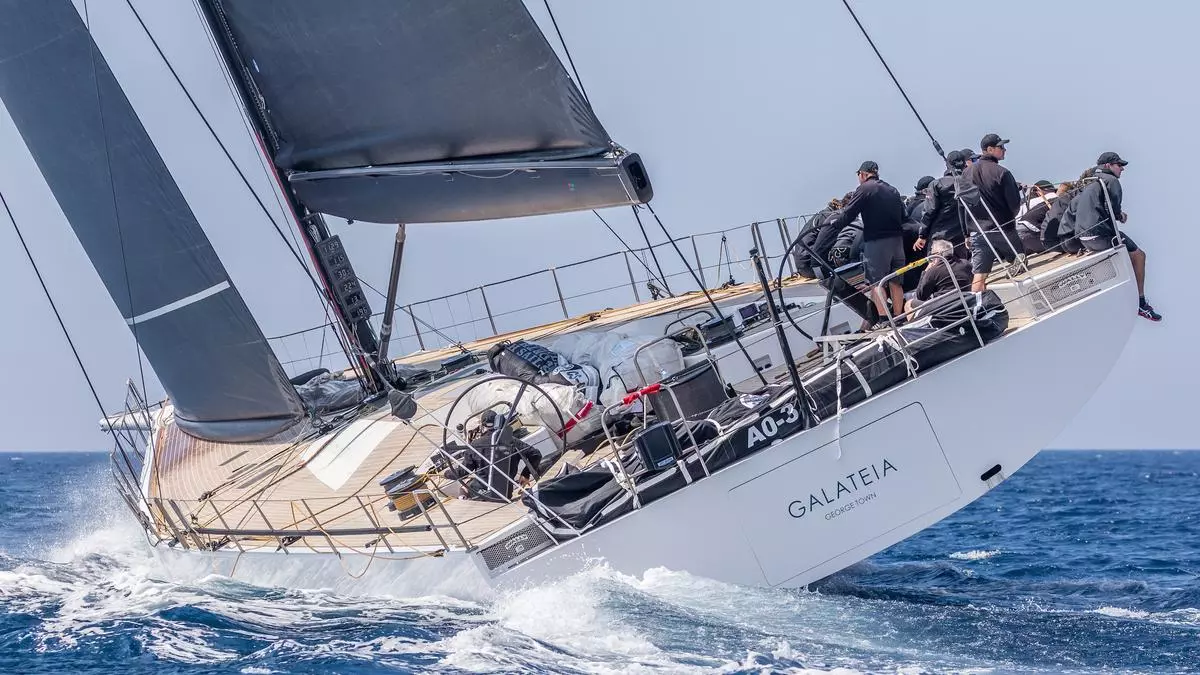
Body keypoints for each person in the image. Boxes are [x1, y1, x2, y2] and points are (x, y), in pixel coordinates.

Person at [1072, 152, 1160, 321]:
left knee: (1123, 253)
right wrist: (1120, 215)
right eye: (1119, 165)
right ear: (1108, 166)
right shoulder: (1111, 181)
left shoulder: (1089, 181)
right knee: (1139, 255)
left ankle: (1122, 297)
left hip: (1082, 238)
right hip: (1098, 236)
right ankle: (1141, 303)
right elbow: (1113, 208)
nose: (1122, 169)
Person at [824, 161, 907, 327]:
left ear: (862, 174)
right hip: (897, 241)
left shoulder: (864, 189)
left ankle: (885, 320)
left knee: (876, 282)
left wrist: (835, 224)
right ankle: (900, 317)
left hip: (877, 242)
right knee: (895, 281)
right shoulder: (892, 189)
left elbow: (849, 213)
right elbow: (903, 214)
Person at [963, 133, 1024, 292]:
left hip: (978, 232)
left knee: (979, 276)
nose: (1004, 150)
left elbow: (962, 206)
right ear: (990, 149)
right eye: (1001, 147)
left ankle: (977, 303)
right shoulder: (1002, 172)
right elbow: (1015, 204)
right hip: (1004, 230)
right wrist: (1010, 219)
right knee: (1021, 262)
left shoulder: (965, 174)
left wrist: (966, 233)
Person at [915, 150, 969, 254]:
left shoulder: (935, 184)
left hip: (941, 237)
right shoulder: (969, 183)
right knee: (960, 263)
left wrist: (922, 235)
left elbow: (929, 211)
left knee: (935, 264)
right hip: (962, 237)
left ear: (947, 165)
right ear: (964, 164)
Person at [905, 239, 972, 315]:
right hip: (966, 302)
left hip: (943, 307)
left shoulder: (933, 271)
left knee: (909, 304)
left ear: (937, 255)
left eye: (932, 255)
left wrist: (925, 272)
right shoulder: (966, 264)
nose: (931, 259)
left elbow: (920, 296)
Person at [1015, 179, 1058, 254]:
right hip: (1029, 232)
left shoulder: (1023, 203)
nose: (1054, 192)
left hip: (1016, 236)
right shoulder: (1049, 197)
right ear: (1038, 191)